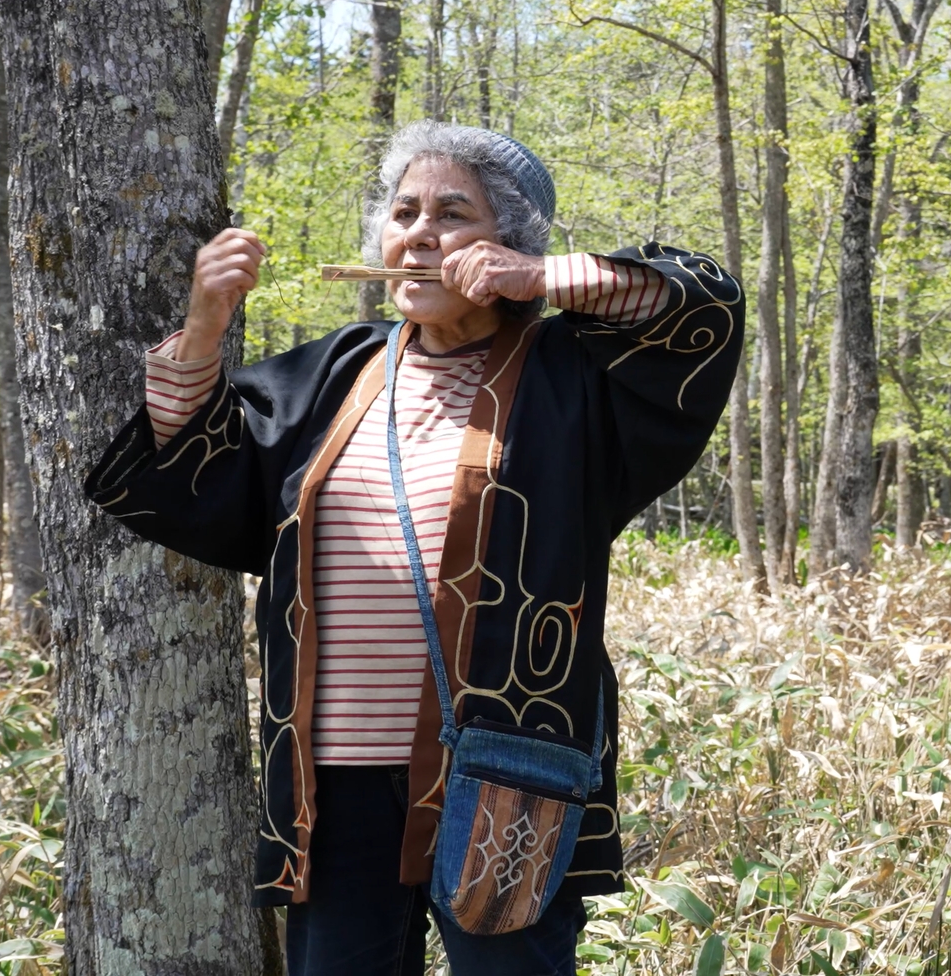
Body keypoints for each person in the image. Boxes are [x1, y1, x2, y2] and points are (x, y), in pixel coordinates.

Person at [85, 121, 742, 975]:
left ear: (507, 242)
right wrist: (206, 324)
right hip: (332, 787)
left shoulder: (574, 375)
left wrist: (541, 280)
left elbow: (706, 308)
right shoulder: (338, 374)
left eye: (452, 214)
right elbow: (192, 468)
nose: (419, 234)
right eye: (403, 213)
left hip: (508, 771)